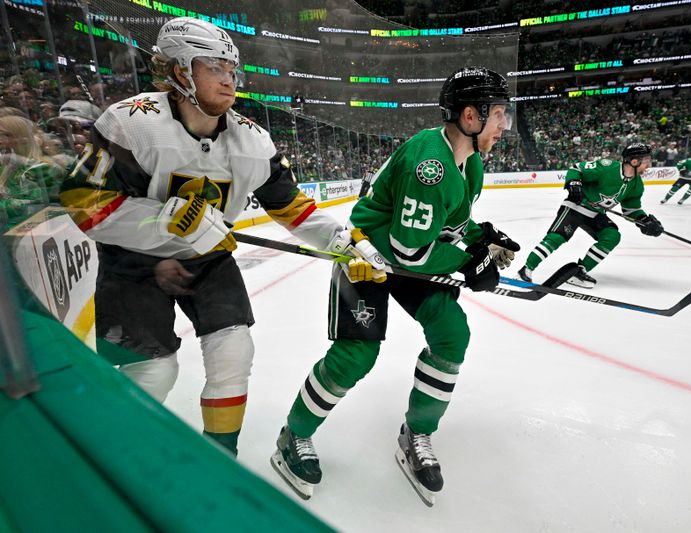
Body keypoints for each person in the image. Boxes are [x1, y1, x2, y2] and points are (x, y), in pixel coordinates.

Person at [58, 17, 380, 456]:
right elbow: (82, 201)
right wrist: (165, 220)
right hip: (132, 264)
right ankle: (109, 458)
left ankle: (220, 457)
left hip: (208, 259)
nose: (230, 81)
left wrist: (347, 244)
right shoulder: (132, 123)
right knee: (154, 372)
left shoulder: (253, 141)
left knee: (233, 352)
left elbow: (293, 209)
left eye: (231, 70)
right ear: (178, 72)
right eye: (214, 68)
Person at [270, 66, 521, 506]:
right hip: (368, 256)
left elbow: (452, 222)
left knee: (451, 334)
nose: (504, 125)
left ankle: (416, 433)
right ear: (469, 116)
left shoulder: (470, 162)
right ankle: (294, 434)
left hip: (407, 255)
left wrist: (482, 238)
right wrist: (468, 262)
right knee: (356, 355)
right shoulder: (429, 166)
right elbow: (412, 253)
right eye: (498, 114)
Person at [518, 143, 664, 289]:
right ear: (634, 161)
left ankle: (578, 272)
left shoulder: (637, 185)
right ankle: (525, 270)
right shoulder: (607, 167)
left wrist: (644, 220)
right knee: (557, 237)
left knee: (612, 236)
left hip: (596, 214)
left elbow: (631, 209)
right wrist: (574, 183)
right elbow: (576, 169)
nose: (649, 165)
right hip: (576, 206)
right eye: (646, 161)